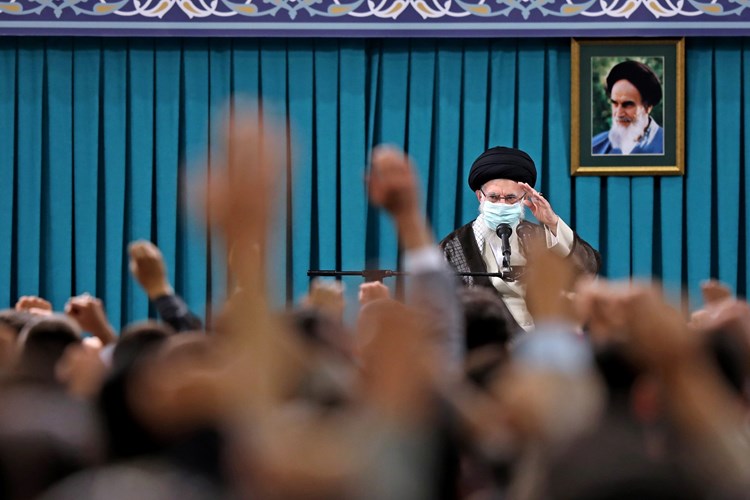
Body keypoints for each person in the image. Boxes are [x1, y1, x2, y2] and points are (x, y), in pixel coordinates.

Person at [439, 146, 600, 331]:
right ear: (480, 196)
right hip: (486, 341)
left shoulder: (541, 237)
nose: (502, 204)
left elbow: (585, 271)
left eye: (510, 198)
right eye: (493, 197)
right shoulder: (453, 246)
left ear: (524, 198)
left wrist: (552, 222)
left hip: (540, 339)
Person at [592, 60, 664, 155]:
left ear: (647, 107)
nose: (618, 113)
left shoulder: (671, 147)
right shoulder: (595, 146)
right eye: (615, 103)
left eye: (627, 104)